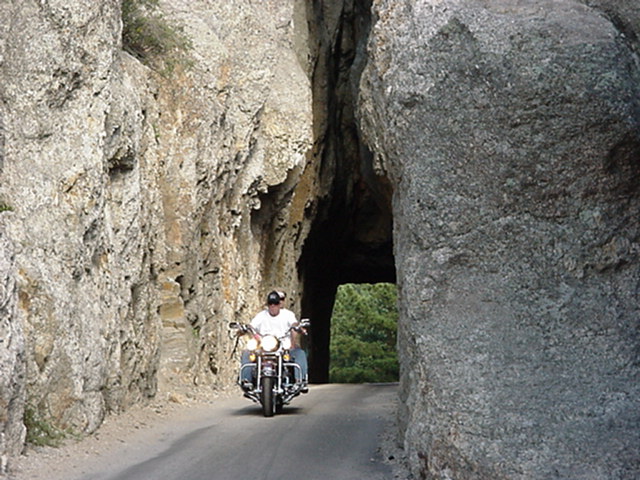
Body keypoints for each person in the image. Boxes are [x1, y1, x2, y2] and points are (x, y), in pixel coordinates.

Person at [240, 291, 308, 388]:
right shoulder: (262, 315)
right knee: (247, 353)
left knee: (299, 353)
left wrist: (297, 328)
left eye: (275, 303)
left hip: (284, 347)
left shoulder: (288, 315)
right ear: (267, 305)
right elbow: (252, 325)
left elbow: (294, 324)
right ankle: (246, 380)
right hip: (264, 346)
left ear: (279, 304)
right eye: (270, 304)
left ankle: (300, 380)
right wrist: (247, 329)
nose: (273, 306)